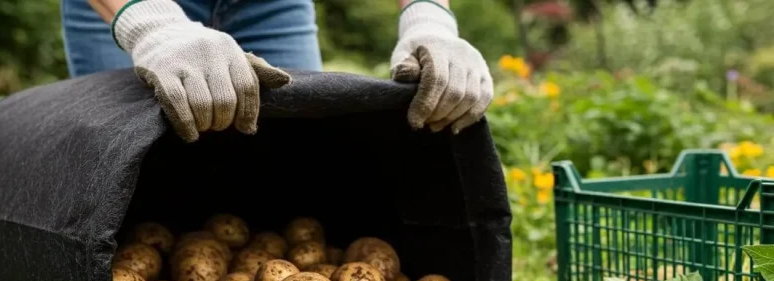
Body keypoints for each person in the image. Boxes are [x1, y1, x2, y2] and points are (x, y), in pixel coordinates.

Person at [63, 0, 493, 142]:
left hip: (270, 6)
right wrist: (149, 24)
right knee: (130, 179)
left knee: (296, 178)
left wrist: (429, 16)